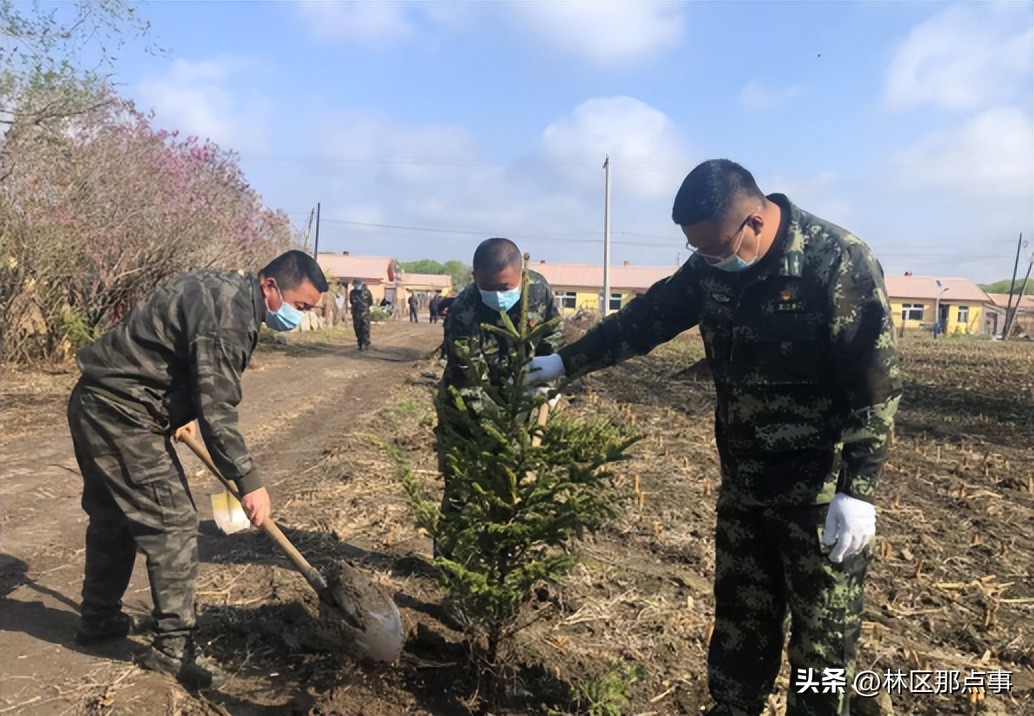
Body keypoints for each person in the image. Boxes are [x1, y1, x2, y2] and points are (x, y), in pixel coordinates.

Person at [528, 160, 902, 716]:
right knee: (738, 629)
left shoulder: (834, 261)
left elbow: (874, 377)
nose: (706, 260)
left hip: (819, 500)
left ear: (753, 222)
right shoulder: (709, 269)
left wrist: (859, 489)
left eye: (713, 247)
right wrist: (566, 361)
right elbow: (646, 319)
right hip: (746, 488)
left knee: (821, 652)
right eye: (695, 250)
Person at [67, 249, 327, 689]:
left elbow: (176, 355)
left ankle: (99, 621)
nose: (299, 319)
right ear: (270, 287)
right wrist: (250, 482)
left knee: (113, 519)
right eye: (300, 307)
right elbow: (218, 409)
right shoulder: (231, 315)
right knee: (173, 523)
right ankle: (173, 650)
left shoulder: (220, 287)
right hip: (122, 413)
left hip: (96, 400)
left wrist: (173, 407)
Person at [436, 238, 564, 557]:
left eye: (505, 286)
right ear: (474, 278)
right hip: (465, 412)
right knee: (462, 491)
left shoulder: (538, 291)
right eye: (487, 287)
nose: (497, 295)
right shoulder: (463, 312)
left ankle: (502, 557)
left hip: (522, 405)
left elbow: (553, 335)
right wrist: (498, 434)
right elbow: (467, 379)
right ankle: (453, 569)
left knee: (514, 486)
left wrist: (549, 379)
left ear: (521, 275)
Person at [349, 278, 373, 350]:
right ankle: (360, 343)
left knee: (365, 328)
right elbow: (351, 301)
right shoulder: (352, 292)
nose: (355, 286)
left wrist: (364, 308)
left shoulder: (367, 292)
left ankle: (366, 343)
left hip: (365, 313)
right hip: (356, 313)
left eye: (356, 285)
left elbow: (370, 301)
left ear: (360, 284)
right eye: (354, 285)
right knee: (357, 328)